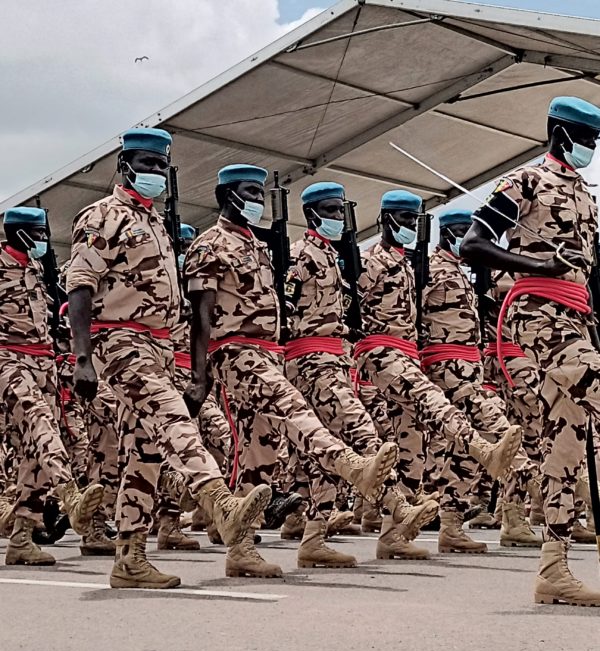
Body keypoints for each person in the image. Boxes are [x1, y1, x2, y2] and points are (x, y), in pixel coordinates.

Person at [66, 130, 272, 590]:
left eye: (162, 166)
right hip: (119, 343)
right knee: (173, 415)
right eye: (146, 163)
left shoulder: (156, 223)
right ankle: (221, 502)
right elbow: (79, 287)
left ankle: (129, 559)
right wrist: (83, 357)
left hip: (158, 348)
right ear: (124, 165)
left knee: (144, 455)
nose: (154, 173)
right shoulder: (101, 216)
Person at [184, 163, 399, 576]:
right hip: (235, 352)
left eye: (259, 194)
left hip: (269, 353)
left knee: (257, 456)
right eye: (248, 191)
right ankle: (350, 464)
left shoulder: (257, 247)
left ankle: (240, 549)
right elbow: (201, 315)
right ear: (225, 195)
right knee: (290, 405)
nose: (254, 201)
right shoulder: (210, 244)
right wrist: (200, 374)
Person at [461, 95, 600, 605]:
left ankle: (553, 569)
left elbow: (592, 272)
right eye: (585, 138)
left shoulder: (585, 195)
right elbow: (473, 243)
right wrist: (535, 264)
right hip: (538, 313)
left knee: (567, 442)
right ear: (559, 133)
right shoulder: (525, 181)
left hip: (578, 317)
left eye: (595, 140)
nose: (590, 148)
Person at [356, 190, 523, 553]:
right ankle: (500, 457)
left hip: (432, 358)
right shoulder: (374, 262)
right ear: (385, 218)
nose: (408, 226)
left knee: (412, 448)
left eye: (414, 220)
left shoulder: (421, 266)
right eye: (402, 218)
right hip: (402, 356)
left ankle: (409, 532)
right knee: (453, 415)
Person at [285, 181, 438, 562]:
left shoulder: (337, 260)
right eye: (331, 211)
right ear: (312, 214)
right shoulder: (300, 256)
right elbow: (285, 313)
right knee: (363, 435)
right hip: (312, 360)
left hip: (338, 359)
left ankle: (318, 540)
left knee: (337, 454)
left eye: (341, 210)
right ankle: (397, 512)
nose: (337, 217)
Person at [421, 209, 542, 550]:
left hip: (476, 366)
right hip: (448, 367)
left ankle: (458, 524)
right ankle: (533, 484)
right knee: (493, 434)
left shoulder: (473, 272)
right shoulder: (429, 269)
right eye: (462, 232)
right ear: (446, 234)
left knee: (474, 450)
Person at [0, 207, 105, 566]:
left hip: (43, 365)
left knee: (34, 454)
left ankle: (21, 539)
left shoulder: (37, 271)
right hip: (7, 361)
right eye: (38, 233)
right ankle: (70, 495)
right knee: (41, 423)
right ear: (18, 232)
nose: (44, 240)